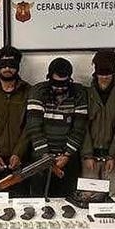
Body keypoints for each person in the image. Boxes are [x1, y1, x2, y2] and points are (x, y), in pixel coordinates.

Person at [26, 57, 89, 197]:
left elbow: (79, 128)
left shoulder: (79, 93)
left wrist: (66, 155)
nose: (60, 88)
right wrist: (46, 157)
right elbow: (34, 128)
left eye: (64, 84)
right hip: (41, 157)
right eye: (56, 83)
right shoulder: (37, 91)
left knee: (67, 200)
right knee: (39, 201)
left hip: (68, 158)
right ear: (49, 78)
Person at [80, 49, 115, 202]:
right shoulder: (86, 91)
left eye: (108, 74)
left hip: (114, 157)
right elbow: (82, 125)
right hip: (90, 157)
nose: (104, 78)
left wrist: (113, 156)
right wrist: (87, 154)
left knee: (114, 199)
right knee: (88, 197)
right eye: (100, 74)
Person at [0, 45, 31, 197]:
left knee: (21, 204)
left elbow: (30, 126)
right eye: (4, 65)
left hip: (22, 160)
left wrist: (18, 153)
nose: (7, 68)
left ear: (18, 66)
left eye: (12, 65)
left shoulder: (28, 91)